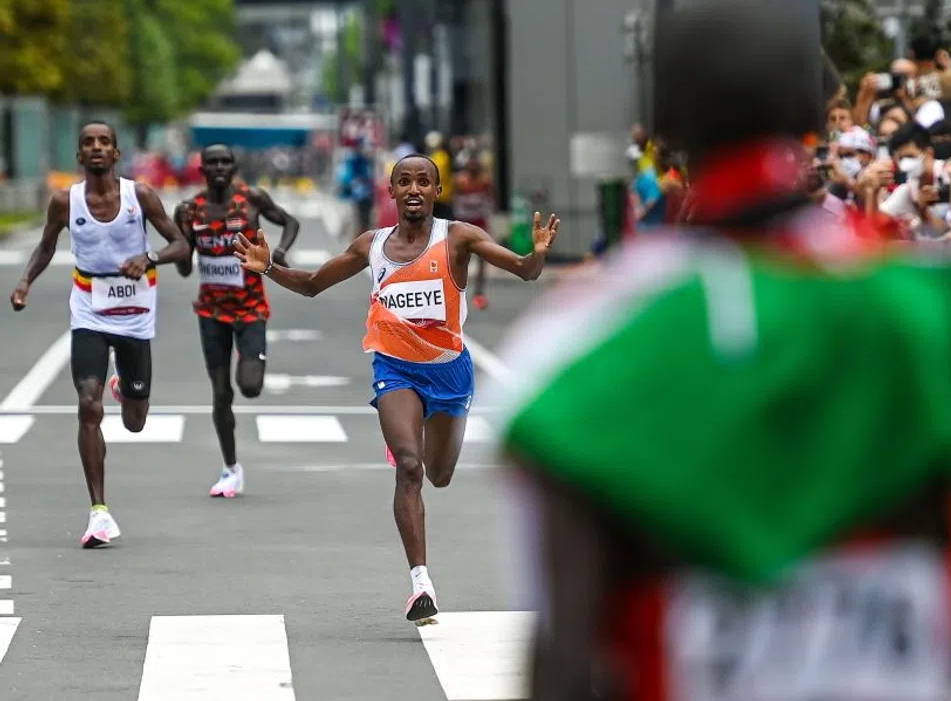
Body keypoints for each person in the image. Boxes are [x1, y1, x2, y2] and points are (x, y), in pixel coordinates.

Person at [486, 0, 951, 701]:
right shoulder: (930, 310)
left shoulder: (584, 347)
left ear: (661, 124)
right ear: (813, 113)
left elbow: (564, 651)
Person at [231, 153, 560, 625]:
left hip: (449, 372)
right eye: (403, 181)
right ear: (391, 191)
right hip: (395, 368)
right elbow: (310, 285)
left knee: (438, 473)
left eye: (423, 181)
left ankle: (414, 435)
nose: (413, 189)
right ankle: (421, 584)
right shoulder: (373, 245)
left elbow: (525, 271)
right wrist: (269, 268)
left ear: (435, 190)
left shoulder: (459, 237)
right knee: (409, 468)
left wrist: (538, 253)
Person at [8, 122, 189, 548]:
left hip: (135, 313)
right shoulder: (64, 201)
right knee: (88, 406)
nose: (95, 148)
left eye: (103, 142)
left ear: (116, 152)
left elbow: (181, 245)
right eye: (88, 143)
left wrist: (149, 257)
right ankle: (99, 512)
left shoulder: (139, 196)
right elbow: (47, 245)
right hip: (89, 308)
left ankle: (125, 389)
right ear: (79, 155)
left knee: (135, 420)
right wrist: (24, 282)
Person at [171, 144, 300, 498]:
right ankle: (231, 469)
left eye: (225, 162)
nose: (219, 167)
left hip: (250, 309)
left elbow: (291, 221)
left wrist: (281, 252)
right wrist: (182, 236)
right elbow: (184, 268)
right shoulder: (190, 209)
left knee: (250, 386)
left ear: (233, 167)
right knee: (220, 392)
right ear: (202, 170)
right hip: (211, 311)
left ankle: (251, 359)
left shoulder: (252, 199)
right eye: (211, 162)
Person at [451, 153, 496, 310]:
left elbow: (491, 199)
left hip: (479, 222)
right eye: (471, 166)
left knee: (483, 258)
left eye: (476, 166)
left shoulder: (485, 181)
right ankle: (456, 293)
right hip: (464, 222)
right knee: (461, 259)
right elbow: (454, 199)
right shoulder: (460, 180)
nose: (474, 169)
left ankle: (479, 293)